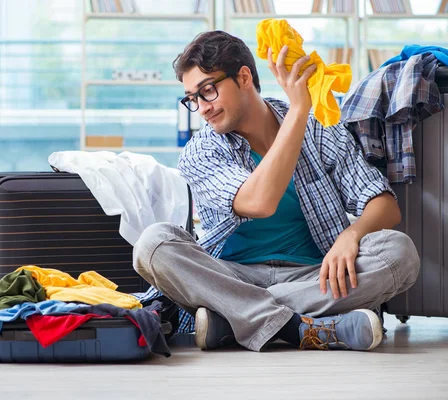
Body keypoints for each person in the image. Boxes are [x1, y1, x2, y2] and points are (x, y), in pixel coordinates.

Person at [132, 31, 421, 352]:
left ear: (243, 77)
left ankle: (232, 319)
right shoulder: (201, 150)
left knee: (399, 253)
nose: (202, 108)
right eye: (192, 98)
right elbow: (259, 203)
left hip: (315, 276)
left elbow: (384, 205)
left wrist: (351, 235)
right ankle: (300, 327)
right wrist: (298, 111)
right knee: (154, 244)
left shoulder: (319, 130)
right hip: (231, 276)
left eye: (208, 91)